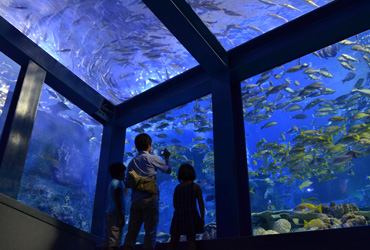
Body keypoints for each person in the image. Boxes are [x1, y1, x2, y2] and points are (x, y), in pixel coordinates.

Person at [123, 133, 172, 250]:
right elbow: (168, 170)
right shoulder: (153, 158)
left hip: (136, 201)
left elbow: (128, 182)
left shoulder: (132, 162)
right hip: (150, 200)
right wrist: (167, 157)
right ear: (149, 146)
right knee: (150, 232)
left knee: (131, 234)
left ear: (137, 146)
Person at [167, 164, 205, 250]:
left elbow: (175, 204)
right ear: (192, 174)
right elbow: (201, 204)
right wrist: (202, 217)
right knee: (191, 240)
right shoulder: (196, 187)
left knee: (173, 240)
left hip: (178, 216)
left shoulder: (177, 188)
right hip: (191, 216)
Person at [103, 162, 127, 250]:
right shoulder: (118, 183)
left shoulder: (113, 182)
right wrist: (121, 216)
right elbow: (117, 199)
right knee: (114, 241)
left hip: (110, 213)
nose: (124, 174)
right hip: (116, 214)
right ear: (120, 172)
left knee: (107, 240)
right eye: (123, 172)